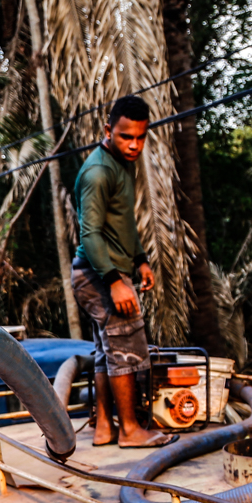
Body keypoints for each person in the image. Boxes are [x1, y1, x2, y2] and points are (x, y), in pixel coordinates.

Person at [72, 94, 176, 448]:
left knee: (107, 351)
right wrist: (116, 280)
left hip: (108, 270)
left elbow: (123, 223)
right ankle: (131, 430)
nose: (134, 145)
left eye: (140, 137)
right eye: (125, 137)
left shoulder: (122, 164)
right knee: (127, 351)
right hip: (98, 274)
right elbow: (91, 233)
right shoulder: (99, 172)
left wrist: (141, 259)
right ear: (107, 130)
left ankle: (105, 427)